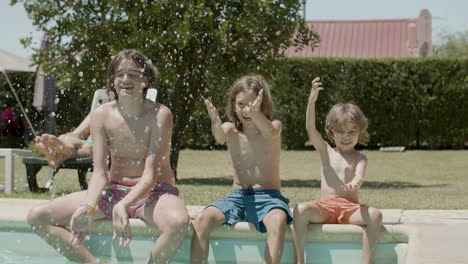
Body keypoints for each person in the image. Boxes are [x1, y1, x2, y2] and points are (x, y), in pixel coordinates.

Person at [27, 49, 190, 263]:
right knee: (37, 217)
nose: (125, 79)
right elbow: (100, 174)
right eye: (119, 74)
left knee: (178, 224)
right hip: (112, 192)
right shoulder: (102, 115)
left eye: (133, 74)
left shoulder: (160, 114)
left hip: (154, 193)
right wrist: (88, 206)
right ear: (112, 80)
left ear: (146, 79)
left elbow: (150, 175)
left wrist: (124, 205)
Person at [191, 75, 293, 264]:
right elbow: (220, 137)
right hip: (237, 197)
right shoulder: (231, 130)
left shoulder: (274, 127)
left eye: (253, 104)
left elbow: (270, 132)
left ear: (264, 104)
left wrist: (256, 114)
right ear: (233, 105)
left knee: (278, 220)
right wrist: (215, 120)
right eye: (241, 104)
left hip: (268, 197)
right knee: (201, 220)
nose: (247, 110)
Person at [292, 77, 382, 264]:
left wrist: (355, 182)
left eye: (351, 132)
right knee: (299, 210)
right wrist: (311, 100)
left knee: (375, 215)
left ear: (360, 132)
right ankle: (299, 260)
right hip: (324, 208)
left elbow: (359, 175)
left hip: (350, 209)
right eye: (340, 131)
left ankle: (367, 261)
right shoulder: (326, 151)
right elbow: (310, 128)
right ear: (331, 132)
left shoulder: (360, 158)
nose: (346, 137)